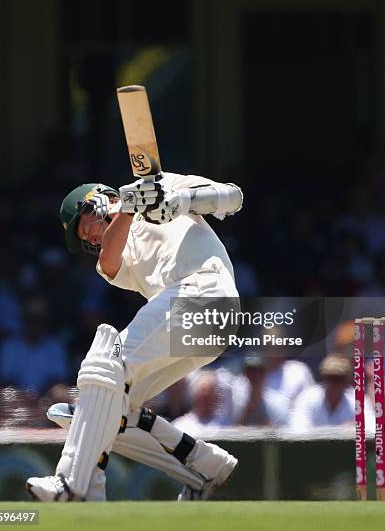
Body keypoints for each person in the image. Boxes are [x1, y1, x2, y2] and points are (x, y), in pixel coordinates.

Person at [26, 171, 243, 501]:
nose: (92, 239)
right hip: (199, 323)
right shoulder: (115, 251)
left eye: (88, 229)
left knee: (105, 365)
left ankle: (72, 483)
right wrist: (129, 208)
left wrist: (178, 203)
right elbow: (108, 260)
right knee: (110, 408)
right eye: (86, 240)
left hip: (207, 290)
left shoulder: (163, 184)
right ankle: (203, 465)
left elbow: (232, 197)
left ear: (97, 201)